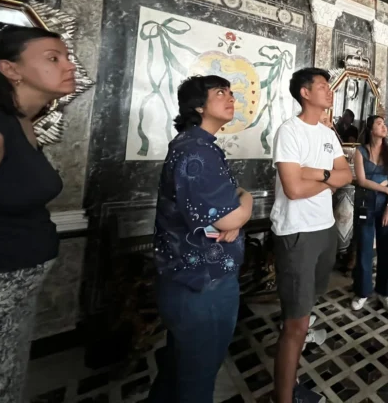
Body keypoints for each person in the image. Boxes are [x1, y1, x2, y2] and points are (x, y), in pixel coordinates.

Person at [148, 75, 253, 403]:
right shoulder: (197, 150)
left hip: (191, 279)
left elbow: (223, 210)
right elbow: (230, 216)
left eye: (231, 92)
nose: (231, 98)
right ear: (197, 106)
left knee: (179, 369)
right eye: (220, 92)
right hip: (201, 285)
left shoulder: (198, 145)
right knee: (197, 378)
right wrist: (247, 201)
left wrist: (235, 207)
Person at [0, 26, 77, 403]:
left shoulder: (24, 121)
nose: (69, 65)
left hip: (15, 290)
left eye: (67, 56)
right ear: (11, 69)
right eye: (53, 58)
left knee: (7, 381)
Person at [271, 68, 353, 403]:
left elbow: (346, 175)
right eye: (322, 86)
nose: (328, 91)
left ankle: (290, 383)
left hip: (324, 228)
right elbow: (292, 188)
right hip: (297, 232)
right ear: (305, 93)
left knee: (306, 311)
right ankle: (284, 398)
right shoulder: (289, 131)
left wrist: (313, 173)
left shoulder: (328, 133)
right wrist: (328, 176)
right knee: (296, 325)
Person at [351, 115, 388, 311]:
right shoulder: (360, 152)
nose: (384, 126)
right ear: (371, 129)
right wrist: (385, 188)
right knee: (363, 249)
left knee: (387, 248)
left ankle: (385, 292)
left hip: (386, 206)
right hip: (365, 205)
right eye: (379, 124)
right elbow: (361, 181)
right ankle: (362, 292)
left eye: (384, 123)